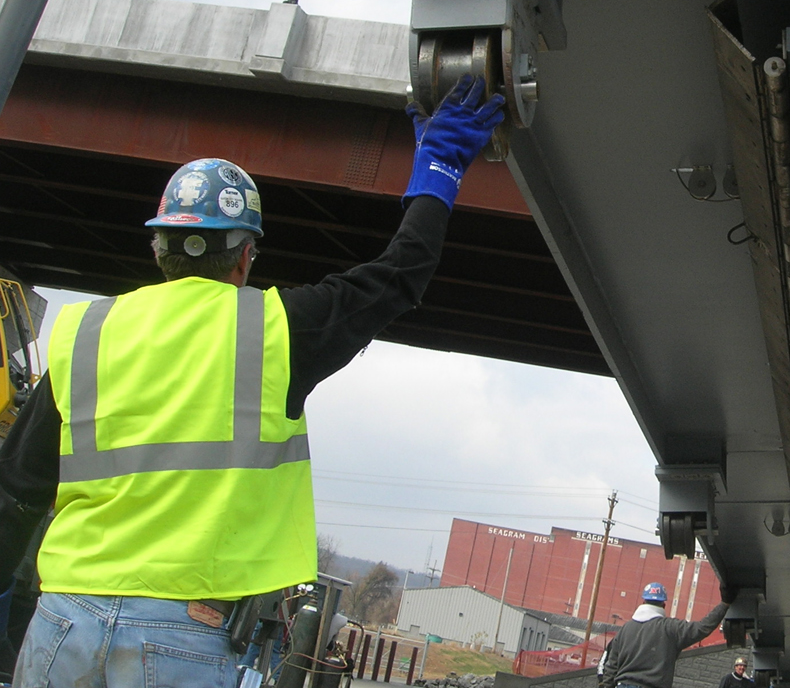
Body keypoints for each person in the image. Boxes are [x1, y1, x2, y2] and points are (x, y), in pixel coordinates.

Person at [0, 75, 506, 688]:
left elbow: (16, 495)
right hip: (185, 634)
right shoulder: (278, 330)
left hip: (64, 620)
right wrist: (439, 169)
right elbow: (400, 274)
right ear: (245, 256)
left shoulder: (85, 333)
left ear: (160, 248)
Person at [597, 582, 733, 688]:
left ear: (643, 602)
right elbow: (702, 628)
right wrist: (724, 603)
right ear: (664, 605)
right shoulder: (670, 628)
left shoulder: (626, 629)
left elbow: (611, 665)